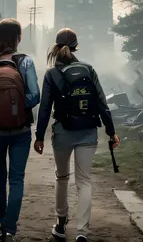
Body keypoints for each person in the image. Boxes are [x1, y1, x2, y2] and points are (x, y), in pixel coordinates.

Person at [33, 28, 120, 242]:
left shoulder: (51, 74)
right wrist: (111, 132)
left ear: (55, 47)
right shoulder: (88, 70)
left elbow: (44, 108)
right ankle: (82, 231)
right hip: (88, 131)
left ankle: (61, 225)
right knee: (84, 181)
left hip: (63, 132)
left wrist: (39, 136)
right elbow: (102, 103)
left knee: (62, 178)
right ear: (76, 47)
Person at [0, 18, 40, 241]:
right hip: (21, 131)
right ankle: (10, 227)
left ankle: (0, 223)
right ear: (19, 37)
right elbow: (35, 97)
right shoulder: (26, 63)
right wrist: (18, 108)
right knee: (16, 180)